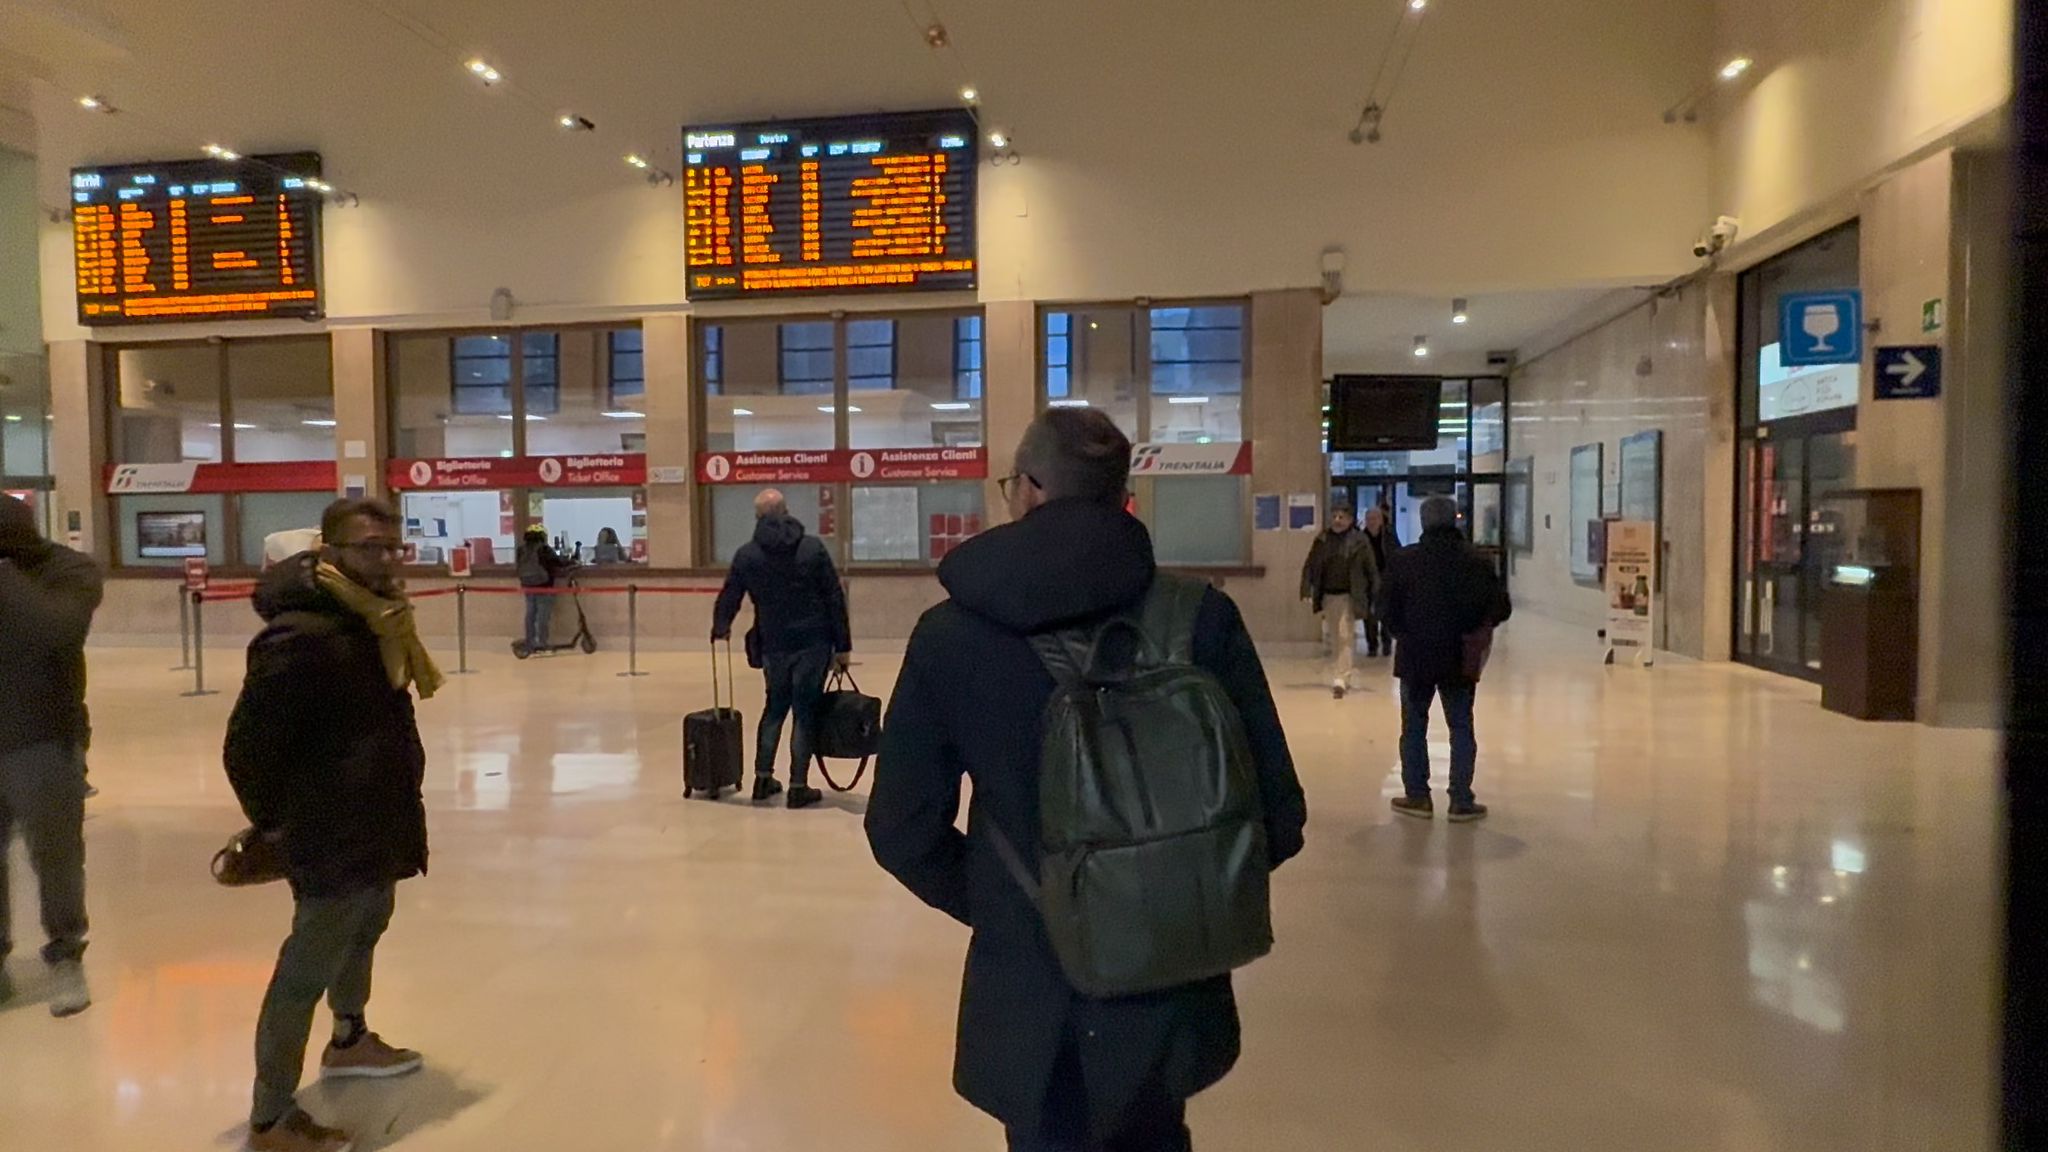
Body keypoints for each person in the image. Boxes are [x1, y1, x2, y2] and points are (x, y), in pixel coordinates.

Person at [866, 409, 1308, 1152]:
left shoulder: (951, 634)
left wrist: (1014, 906)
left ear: (1031, 491)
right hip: (1169, 980)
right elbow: (1279, 815)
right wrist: (1164, 887)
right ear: (1120, 495)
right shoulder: (1201, 620)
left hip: (1034, 990)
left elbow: (900, 829)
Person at [225, 498, 444, 1152]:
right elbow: (247, 750)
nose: (382, 558)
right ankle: (270, 1118)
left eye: (389, 546)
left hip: (377, 819)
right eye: (366, 547)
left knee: (365, 930)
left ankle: (349, 1040)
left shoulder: (373, 621)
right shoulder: (302, 635)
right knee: (306, 968)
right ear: (329, 554)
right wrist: (280, 827)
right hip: (329, 831)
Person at [0, 493, 103, 1017]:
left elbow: (54, 634)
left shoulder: (70, 570)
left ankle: (66, 954)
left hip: (44, 739)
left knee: (56, 856)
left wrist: (2, 574)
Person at [711, 489, 851, 810]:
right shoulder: (812, 549)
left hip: (773, 643)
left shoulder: (748, 555)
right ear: (787, 511)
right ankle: (798, 786)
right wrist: (843, 647)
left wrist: (721, 626)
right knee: (805, 712)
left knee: (774, 708)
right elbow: (834, 598)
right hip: (814, 643)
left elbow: (731, 594)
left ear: (758, 517)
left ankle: (762, 779)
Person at [1378, 495, 1512, 823]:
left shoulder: (1404, 560)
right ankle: (1461, 800)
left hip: (1415, 656)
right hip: (1460, 656)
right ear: (1455, 520)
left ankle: (1417, 796)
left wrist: (1404, 633)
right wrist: (1475, 627)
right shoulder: (1477, 561)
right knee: (1461, 726)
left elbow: (1384, 610)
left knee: (1413, 727)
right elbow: (1500, 608)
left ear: (1423, 522)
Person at [1298, 503, 1378, 698]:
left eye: (1341, 517)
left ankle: (1342, 677)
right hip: (1328, 595)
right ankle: (1341, 671)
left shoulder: (1359, 541)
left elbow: (1371, 569)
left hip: (1349, 595)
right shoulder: (1323, 540)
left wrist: (1376, 593)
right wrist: (1306, 588)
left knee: (1344, 634)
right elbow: (1310, 565)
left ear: (1350, 520)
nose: (1337, 520)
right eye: (1334, 516)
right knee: (1335, 635)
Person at [516, 526, 571, 651]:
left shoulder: (521, 550)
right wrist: (570, 561)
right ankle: (542, 642)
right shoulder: (544, 549)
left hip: (528, 586)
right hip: (544, 585)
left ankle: (530, 641)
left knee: (530, 614)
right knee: (543, 615)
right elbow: (559, 562)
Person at [1359, 505, 1396, 658]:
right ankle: (1372, 644)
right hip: (1366, 579)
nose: (1371, 522)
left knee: (1385, 613)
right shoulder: (1360, 538)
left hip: (1385, 577)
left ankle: (1386, 642)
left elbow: (1395, 555)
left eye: (1375, 519)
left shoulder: (1388, 536)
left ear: (1381, 520)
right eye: (1369, 519)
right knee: (1369, 615)